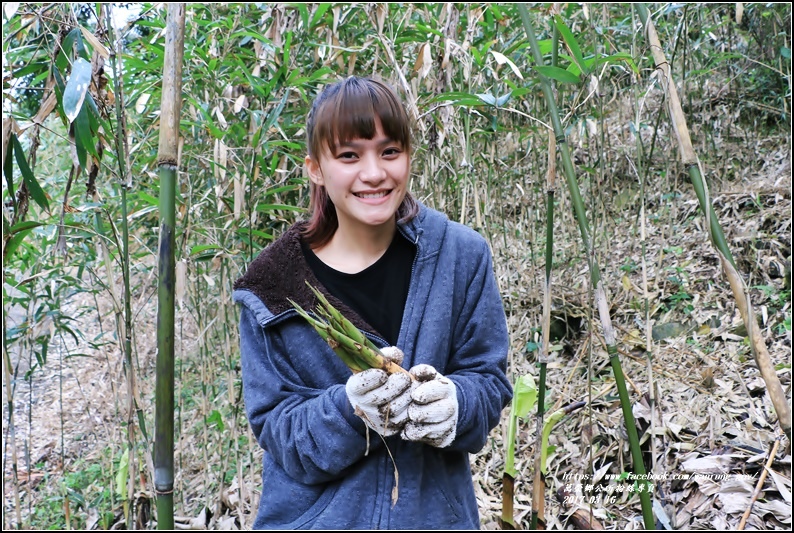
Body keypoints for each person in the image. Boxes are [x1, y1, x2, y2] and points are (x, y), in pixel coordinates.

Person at [233, 76, 512, 530]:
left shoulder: (461, 256)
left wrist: (455, 406)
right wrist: (351, 410)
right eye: (349, 155)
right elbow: (279, 432)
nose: (374, 172)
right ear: (315, 169)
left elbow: (488, 382)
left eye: (389, 151)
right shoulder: (271, 288)